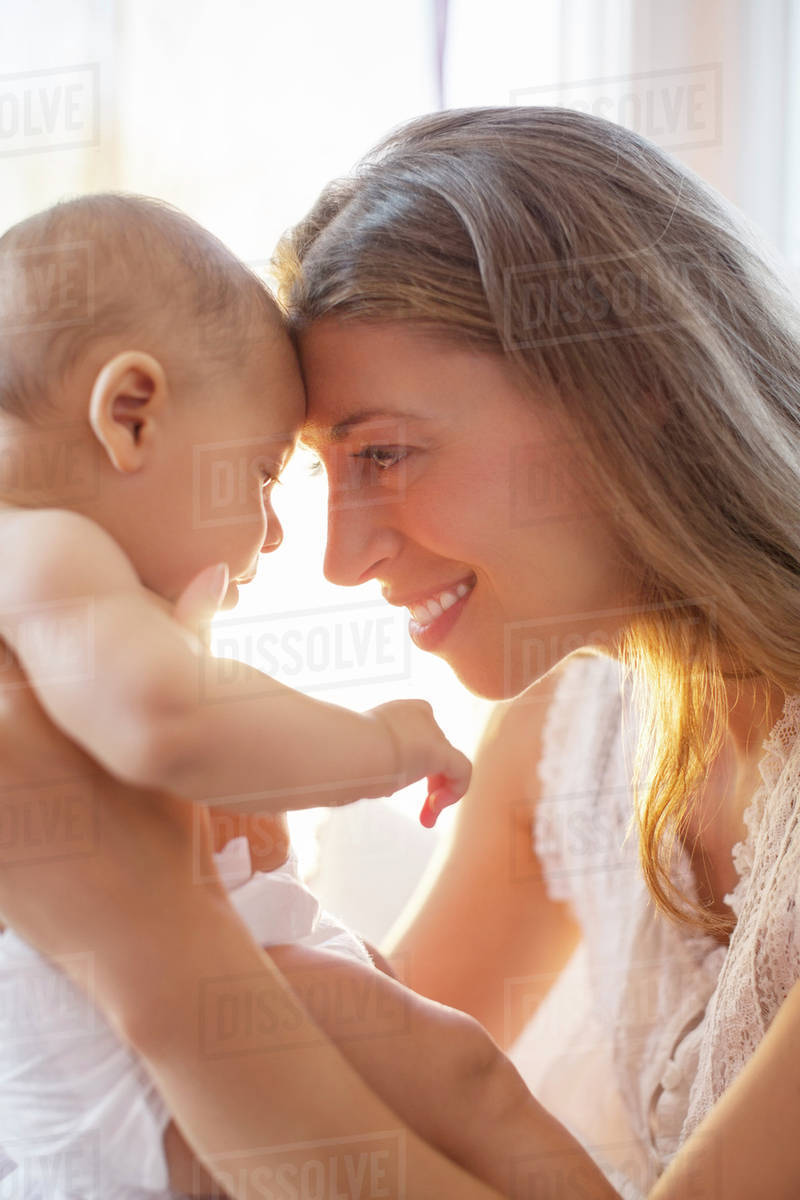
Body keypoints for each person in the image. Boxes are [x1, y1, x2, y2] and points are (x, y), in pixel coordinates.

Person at [2, 104, 800, 1198]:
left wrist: (154, 947)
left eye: (384, 453)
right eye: (317, 473)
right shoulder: (567, 733)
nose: (337, 559)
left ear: (629, 387)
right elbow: (361, 1086)